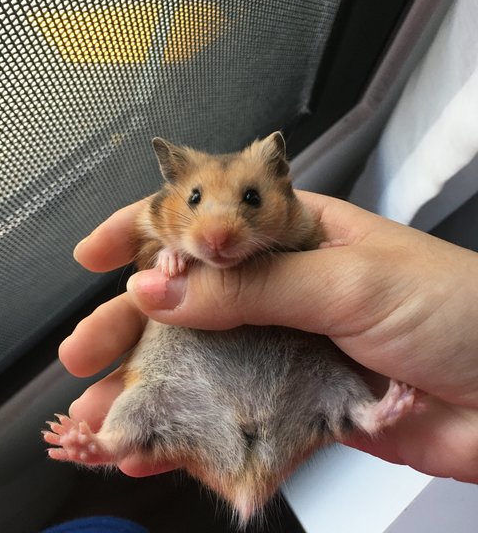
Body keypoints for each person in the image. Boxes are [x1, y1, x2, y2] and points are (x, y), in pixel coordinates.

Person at [60, 191, 478, 483]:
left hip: (293, 391)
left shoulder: (290, 230)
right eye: (196, 201)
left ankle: (369, 414)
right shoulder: (166, 235)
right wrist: (169, 252)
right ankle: (108, 444)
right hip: (195, 399)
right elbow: (158, 241)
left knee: (329, 374)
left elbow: (304, 240)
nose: (219, 234)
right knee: (146, 395)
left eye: (248, 200)